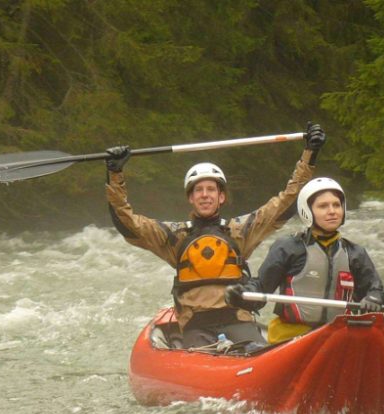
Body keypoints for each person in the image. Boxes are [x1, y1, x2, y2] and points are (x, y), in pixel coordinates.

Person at [104, 123, 325, 348]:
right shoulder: (174, 236)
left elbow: (286, 202)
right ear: (190, 198)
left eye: (211, 190)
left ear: (221, 197)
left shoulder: (240, 230)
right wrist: (114, 173)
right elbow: (127, 223)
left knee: (256, 349)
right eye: (198, 190)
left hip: (237, 319)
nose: (205, 195)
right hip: (196, 326)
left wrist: (310, 154)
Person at [225, 177, 384, 344]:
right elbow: (261, 287)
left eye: (336, 205)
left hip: (337, 336)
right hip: (292, 338)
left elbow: (375, 289)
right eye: (323, 206)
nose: (332, 211)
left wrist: (374, 298)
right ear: (307, 211)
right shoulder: (288, 248)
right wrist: (242, 295)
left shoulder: (354, 253)